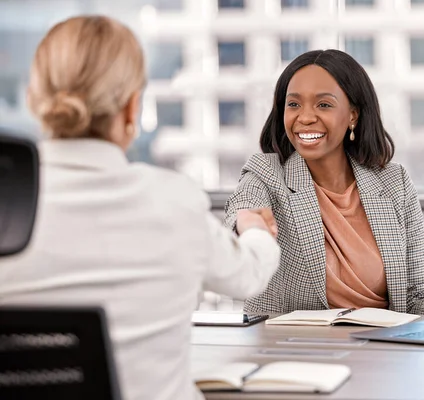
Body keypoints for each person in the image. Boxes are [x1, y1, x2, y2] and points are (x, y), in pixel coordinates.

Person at [0, 16, 279, 400]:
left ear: (36, 99)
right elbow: (248, 276)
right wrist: (255, 229)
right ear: (132, 108)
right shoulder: (174, 202)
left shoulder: (7, 210)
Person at [224, 49, 424, 316]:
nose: (305, 117)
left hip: (384, 350)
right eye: (293, 104)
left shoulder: (394, 182)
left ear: (353, 114)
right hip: (293, 348)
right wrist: (250, 226)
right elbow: (242, 213)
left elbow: (418, 298)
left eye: (323, 105)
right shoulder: (266, 173)